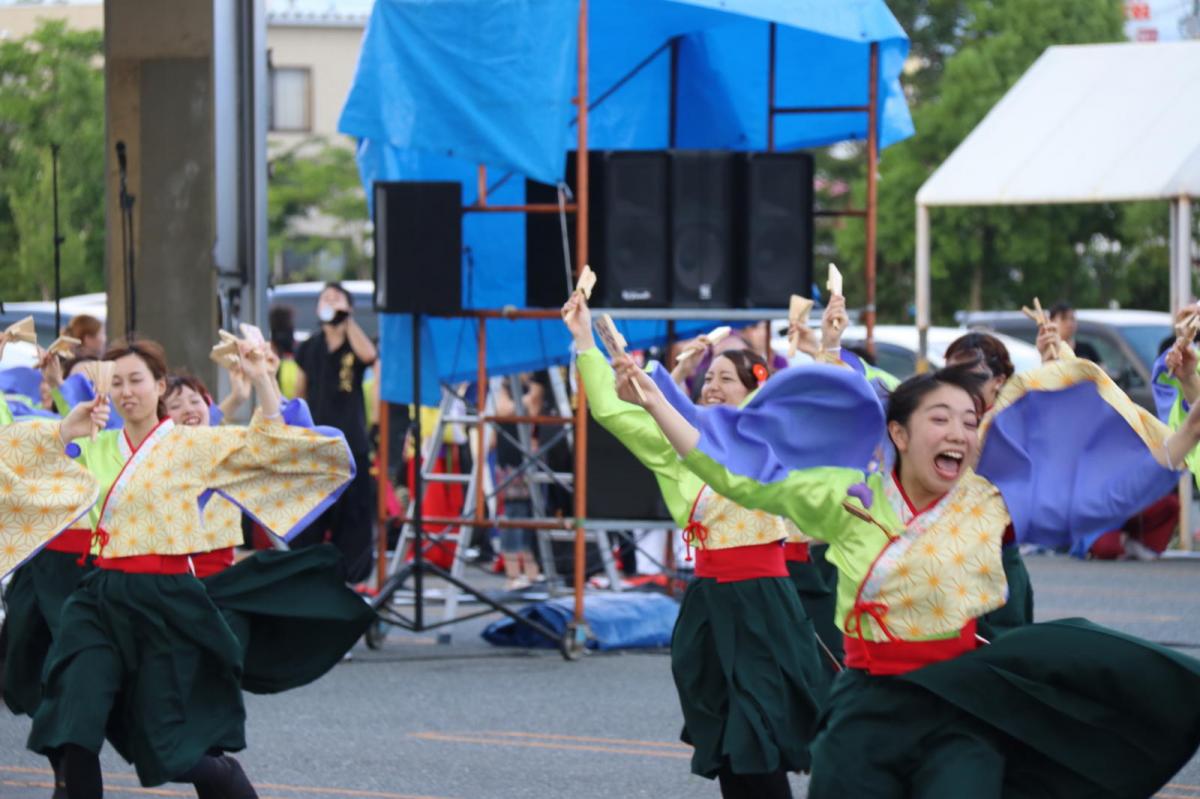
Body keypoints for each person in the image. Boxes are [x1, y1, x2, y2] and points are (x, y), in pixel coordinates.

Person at [614, 342, 1200, 797]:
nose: (960, 433)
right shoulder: (847, 498)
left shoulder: (988, 502)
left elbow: (1098, 500)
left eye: (970, 422)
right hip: (867, 702)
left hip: (961, 701)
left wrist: (1191, 421)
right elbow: (734, 470)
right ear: (898, 432)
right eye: (940, 419)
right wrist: (656, 399)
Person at [26, 336, 354, 799]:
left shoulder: (191, 445)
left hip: (166, 600)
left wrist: (261, 378)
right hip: (99, 596)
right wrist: (64, 431)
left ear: (158, 385)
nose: (126, 391)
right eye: (115, 382)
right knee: (72, 719)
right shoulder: (93, 444)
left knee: (173, 748)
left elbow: (268, 449)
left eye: (136, 380)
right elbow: (23, 468)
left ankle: (225, 780)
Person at [563, 292, 829, 799]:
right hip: (708, 599)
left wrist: (823, 345)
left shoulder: (775, 436)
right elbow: (616, 415)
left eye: (726, 378)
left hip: (763, 597)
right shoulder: (680, 442)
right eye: (708, 377)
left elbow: (825, 415)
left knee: (758, 732)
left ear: (757, 387)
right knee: (724, 732)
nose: (712, 385)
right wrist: (583, 341)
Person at [942, 331, 1032, 637]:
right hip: (947, 562)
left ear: (999, 380)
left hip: (996, 560)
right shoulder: (945, 420)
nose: (961, 387)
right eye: (952, 377)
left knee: (1002, 657)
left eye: (973, 377)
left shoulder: (1011, 423)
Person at [293, 282, 377, 583]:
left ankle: (352, 579)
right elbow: (299, 390)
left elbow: (369, 357)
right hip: (315, 444)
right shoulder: (309, 346)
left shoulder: (355, 343)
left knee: (353, 515)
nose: (330, 302)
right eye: (325, 299)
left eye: (336, 298)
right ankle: (309, 578)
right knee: (310, 517)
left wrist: (348, 321)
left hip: (350, 443)